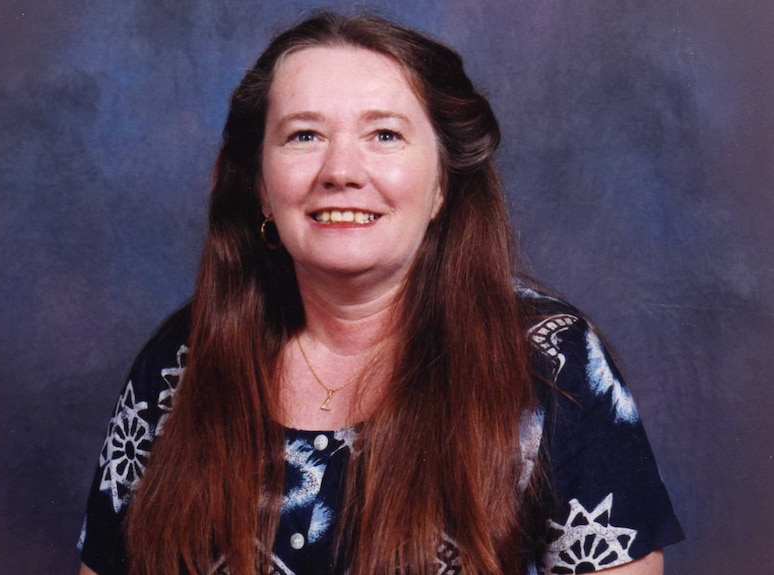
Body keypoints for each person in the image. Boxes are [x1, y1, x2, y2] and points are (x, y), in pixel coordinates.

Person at [78, 11, 683, 575]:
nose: (341, 170)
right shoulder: (181, 361)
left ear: (442, 183)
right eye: (304, 135)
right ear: (262, 188)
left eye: (386, 136)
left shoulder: (550, 366)